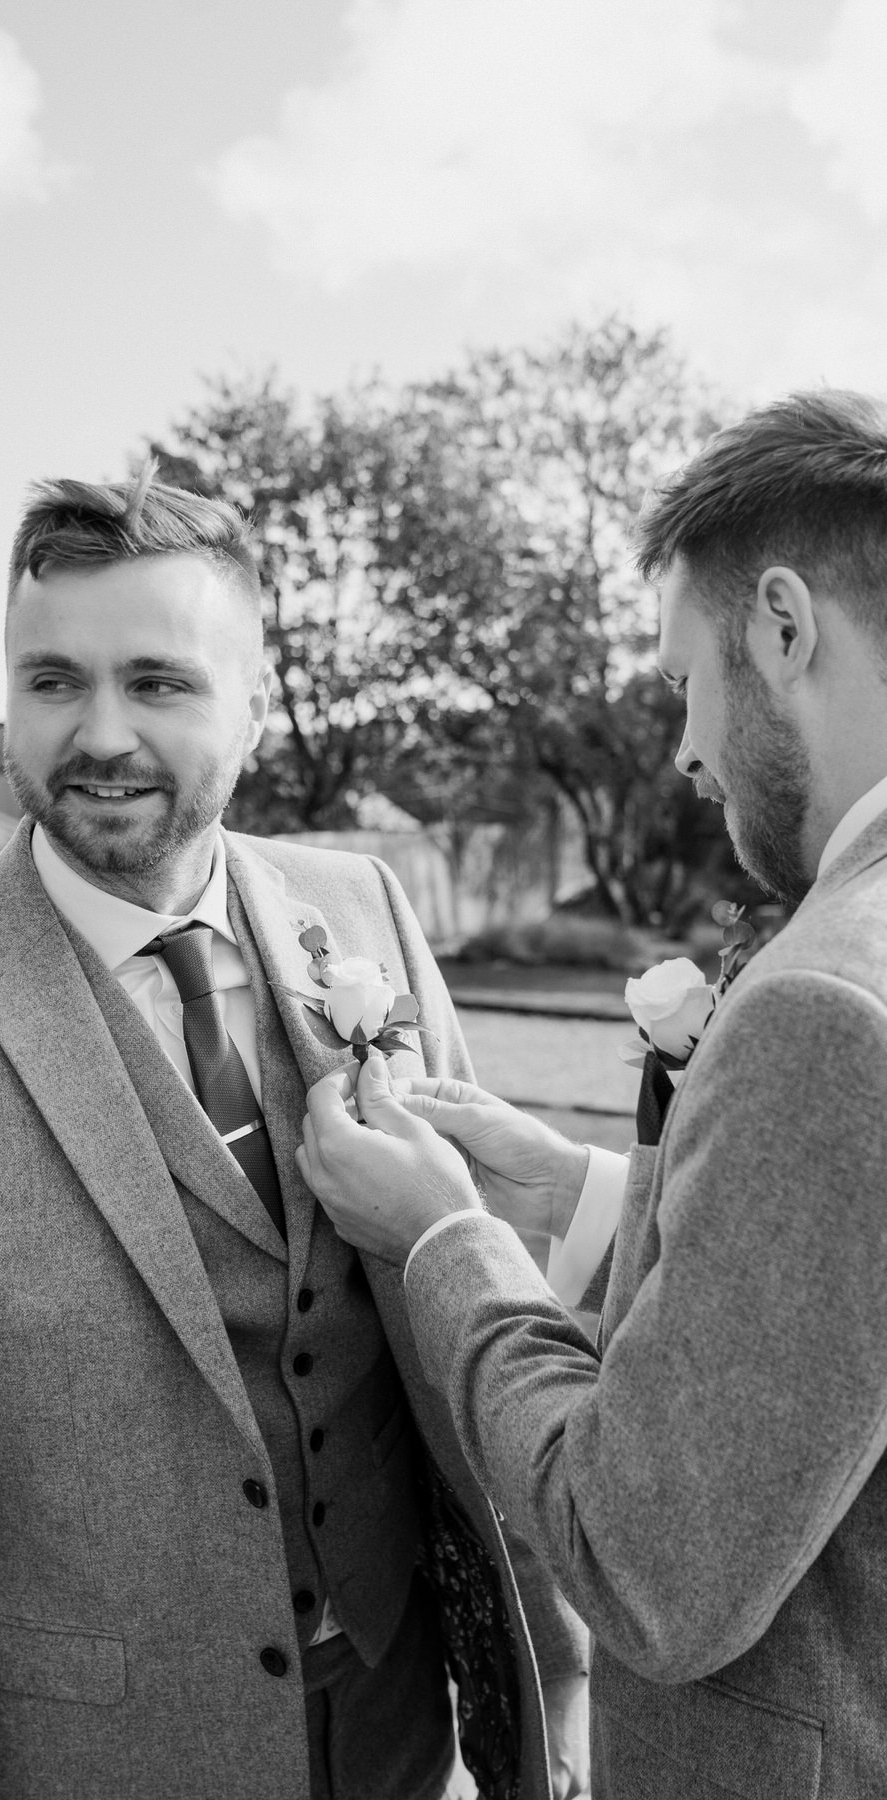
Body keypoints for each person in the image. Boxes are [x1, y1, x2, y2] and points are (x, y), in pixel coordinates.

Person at [0, 464, 589, 1800]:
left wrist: (552, 1680)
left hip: (401, 1729)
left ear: (254, 712)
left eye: (156, 681)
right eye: (52, 682)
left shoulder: (366, 909)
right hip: (99, 1755)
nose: (99, 734)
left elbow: (464, 1321)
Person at [299, 389, 887, 1800]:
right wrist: (572, 1191)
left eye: (684, 677)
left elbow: (651, 1566)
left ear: (786, 625)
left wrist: (452, 1240)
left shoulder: (827, 1004)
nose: (683, 749)